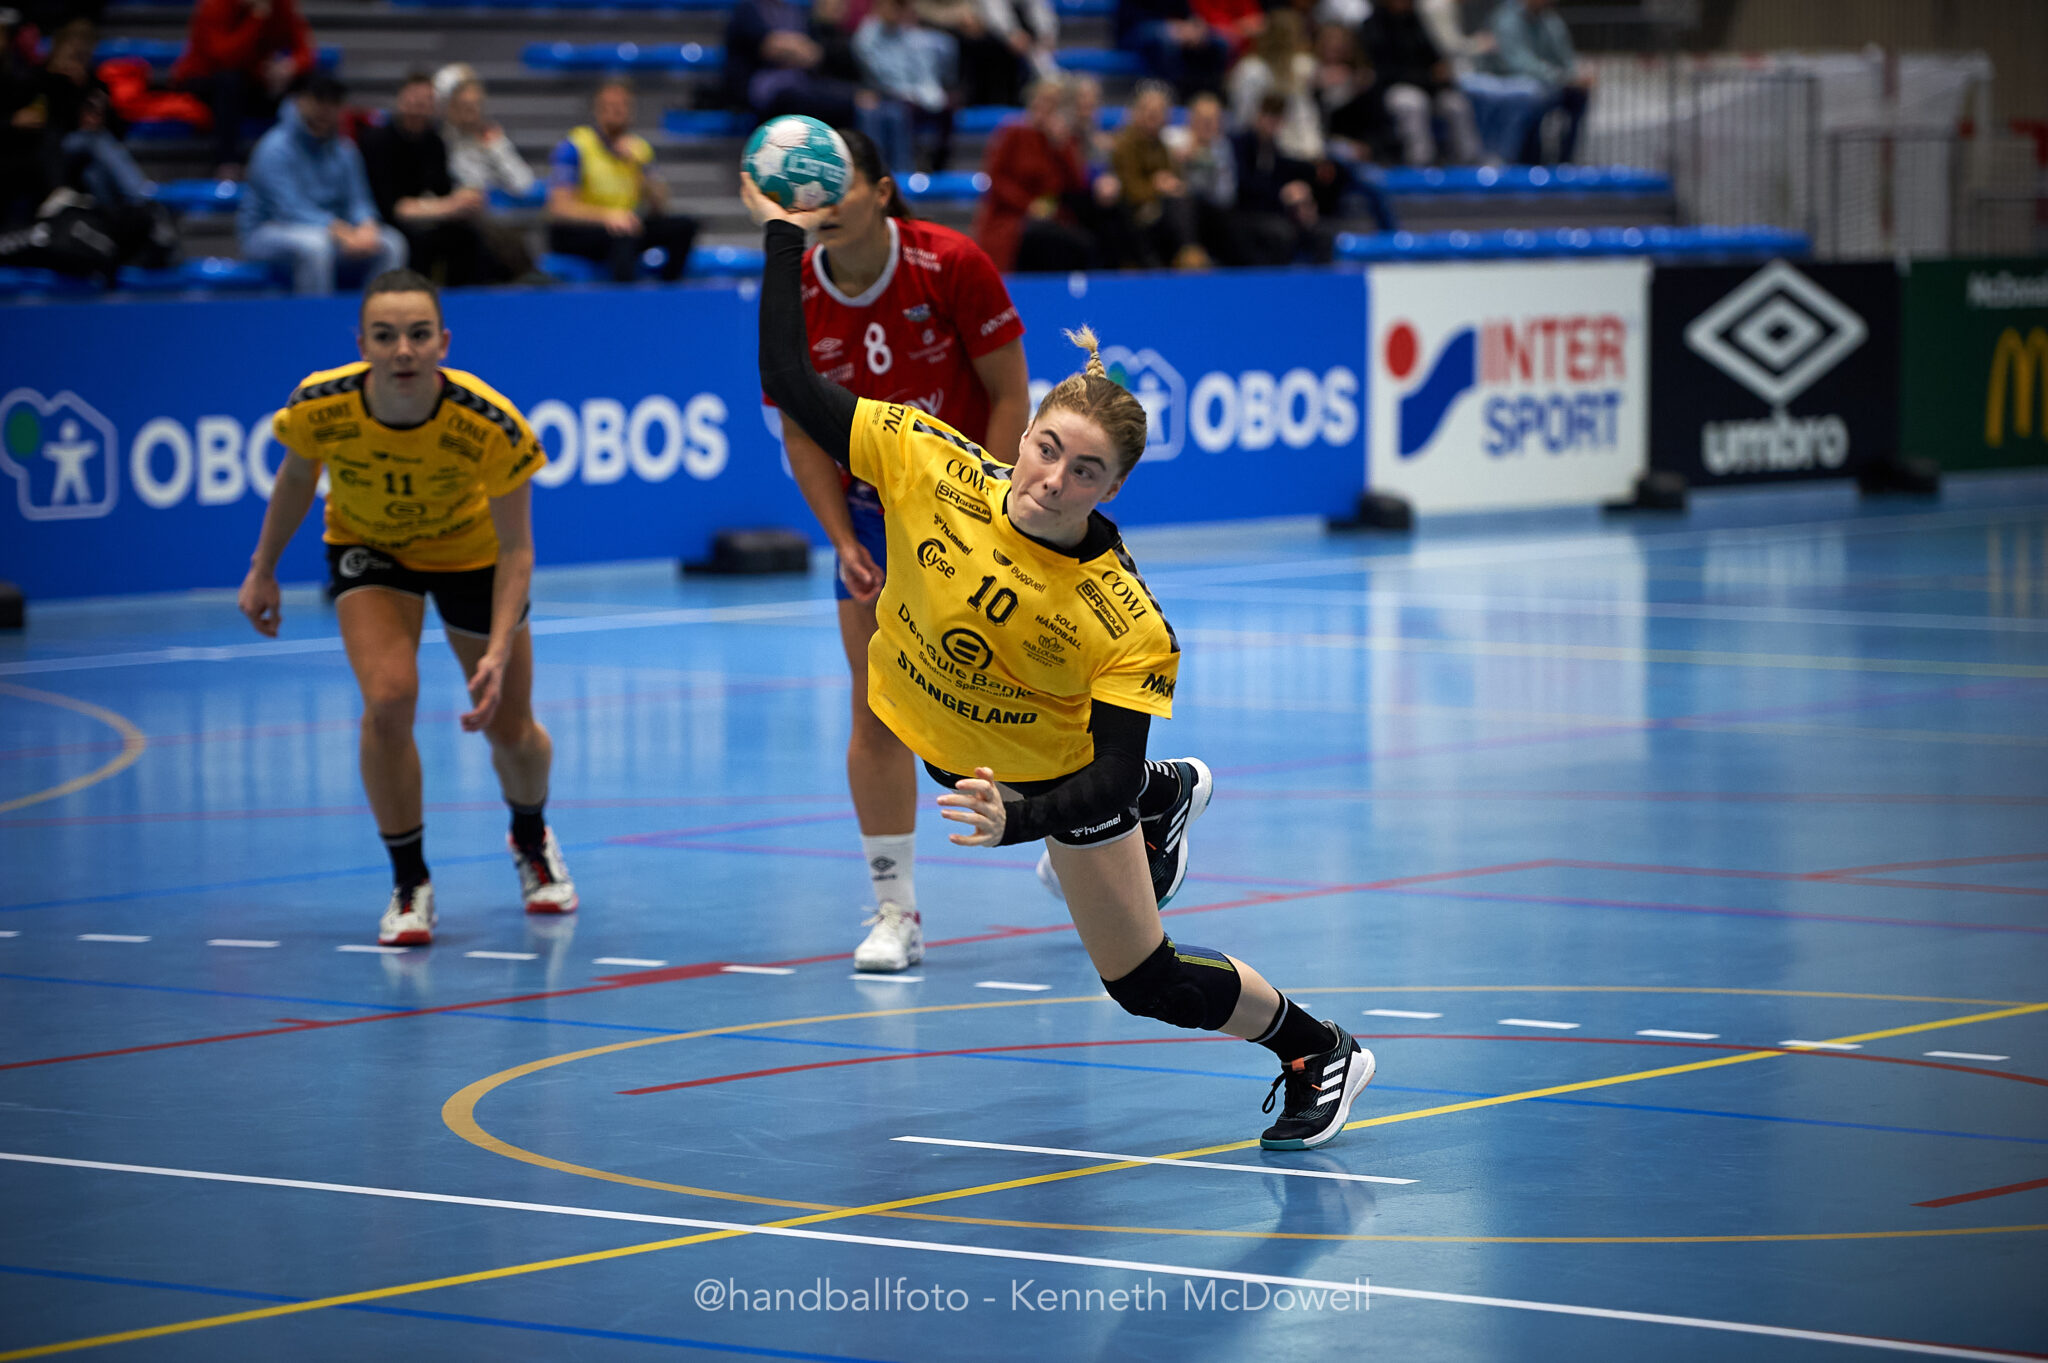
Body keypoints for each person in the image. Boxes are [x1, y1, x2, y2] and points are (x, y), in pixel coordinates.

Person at [746, 175, 1376, 1149]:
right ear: (1023, 432)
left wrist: (1024, 820)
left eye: (1085, 471)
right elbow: (790, 383)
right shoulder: (927, 460)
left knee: (1143, 982)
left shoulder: (1122, 617)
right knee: (974, 773)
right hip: (956, 744)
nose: (1052, 479)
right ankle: (1173, 795)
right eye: (1046, 449)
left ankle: (1316, 1047)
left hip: (1060, 780)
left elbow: (1108, 771)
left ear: (1112, 488)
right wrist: (785, 240)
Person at [237, 269, 576, 947]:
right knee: (389, 700)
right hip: (370, 550)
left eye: (419, 335)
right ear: (361, 343)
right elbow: (298, 476)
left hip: (472, 556)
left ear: (443, 343)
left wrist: (498, 651)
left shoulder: (490, 422)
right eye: (385, 336)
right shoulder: (320, 404)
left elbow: (517, 549)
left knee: (511, 730)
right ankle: (409, 879)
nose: (403, 351)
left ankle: (531, 834)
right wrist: (262, 568)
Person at [772, 128, 1030, 973]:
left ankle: (1092, 836)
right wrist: (842, 538)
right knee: (877, 709)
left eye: (838, 183)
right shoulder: (794, 293)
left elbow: (1009, 393)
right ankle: (896, 910)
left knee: (1026, 704)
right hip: (875, 520)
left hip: (976, 509)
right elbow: (802, 433)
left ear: (881, 191)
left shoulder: (949, 263)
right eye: (807, 189)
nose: (822, 202)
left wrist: (994, 514)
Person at [238, 74, 406, 295]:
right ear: (300, 101)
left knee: (391, 243)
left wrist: (367, 226)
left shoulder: (345, 149)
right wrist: (341, 231)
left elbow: (358, 199)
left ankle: (375, 313)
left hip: (334, 233)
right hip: (269, 231)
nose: (325, 109)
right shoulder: (274, 148)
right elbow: (289, 209)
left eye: (333, 102)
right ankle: (316, 315)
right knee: (316, 247)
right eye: (319, 100)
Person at [545, 79, 699, 282]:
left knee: (684, 227)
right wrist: (608, 216)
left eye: (622, 106)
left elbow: (659, 206)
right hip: (580, 229)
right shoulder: (575, 146)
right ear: (597, 110)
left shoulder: (639, 149)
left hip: (624, 224)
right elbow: (559, 208)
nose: (617, 111)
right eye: (609, 106)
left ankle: (669, 289)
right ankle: (625, 297)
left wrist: (642, 168)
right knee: (623, 236)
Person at [357, 70, 489, 285]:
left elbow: (443, 190)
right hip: (387, 221)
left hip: (427, 218)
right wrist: (449, 206)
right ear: (401, 100)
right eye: (413, 99)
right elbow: (394, 208)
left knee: (467, 236)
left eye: (426, 101)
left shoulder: (435, 142)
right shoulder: (377, 140)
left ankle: (463, 299)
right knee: (415, 242)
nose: (418, 106)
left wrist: (465, 200)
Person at [169, 0, 316, 177]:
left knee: (309, 83)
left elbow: (305, 52)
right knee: (229, 81)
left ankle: (311, 158)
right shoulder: (215, 5)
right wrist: (256, 18)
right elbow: (226, 58)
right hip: (205, 83)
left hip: (253, 80)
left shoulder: (280, 5)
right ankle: (227, 162)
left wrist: (288, 68)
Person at [974, 76, 1093, 272]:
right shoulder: (1013, 133)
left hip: (1052, 219)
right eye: (1042, 100)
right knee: (1040, 238)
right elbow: (996, 180)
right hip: (1011, 217)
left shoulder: (1062, 141)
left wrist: (1062, 147)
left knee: (1080, 243)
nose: (1045, 108)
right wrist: (1028, 205)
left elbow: (1076, 184)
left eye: (1053, 103)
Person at [437, 72, 539, 280]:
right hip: (457, 216)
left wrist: (495, 149)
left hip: (497, 215)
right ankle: (526, 278)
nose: (471, 111)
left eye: (476, 105)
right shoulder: (441, 142)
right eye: (464, 105)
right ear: (451, 108)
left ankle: (525, 279)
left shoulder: (495, 141)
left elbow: (524, 185)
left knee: (504, 232)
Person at [1358, 0, 1481, 166]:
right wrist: (1428, 77)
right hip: (1393, 89)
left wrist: (1442, 71)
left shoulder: (1416, 21)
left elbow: (1433, 56)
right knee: (1414, 103)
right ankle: (1421, 163)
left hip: (1428, 86)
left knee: (1456, 103)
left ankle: (1469, 161)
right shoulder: (1373, 26)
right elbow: (1385, 72)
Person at [723, 0, 867, 127]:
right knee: (802, 100)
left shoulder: (793, 11)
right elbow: (770, 48)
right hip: (763, 87)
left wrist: (791, 50)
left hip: (801, 81)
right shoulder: (747, 9)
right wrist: (796, 49)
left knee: (851, 97)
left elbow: (814, 54)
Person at [1478, 0, 1589, 164]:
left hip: (1546, 83)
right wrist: (1563, 77)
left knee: (1578, 95)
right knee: (1533, 96)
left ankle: (1564, 162)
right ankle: (1527, 160)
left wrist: (1578, 74)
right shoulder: (1507, 18)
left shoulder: (1550, 21)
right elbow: (1519, 62)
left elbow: (1565, 57)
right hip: (1508, 81)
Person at [853, 0, 956, 173]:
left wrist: (931, 94)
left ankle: (938, 168)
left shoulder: (909, 34)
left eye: (900, 7)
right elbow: (880, 76)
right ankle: (900, 171)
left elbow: (924, 71)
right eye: (894, 6)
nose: (896, 11)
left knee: (947, 109)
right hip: (884, 95)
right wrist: (909, 93)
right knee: (896, 113)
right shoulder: (866, 37)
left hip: (916, 94)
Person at [1109, 80, 1203, 269]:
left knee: (1193, 203)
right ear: (1136, 112)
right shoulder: (1124, 145)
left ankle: (1188, 252)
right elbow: (1130, 190)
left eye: (1159, 111)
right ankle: (1185, 252)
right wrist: (1158, 187)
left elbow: (1175, 180)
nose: (1153, 116)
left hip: (1163, 210)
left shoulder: (1162, 146)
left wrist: (1173, 185)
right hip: (1134, 213)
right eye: (1148, 110)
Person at [1113, 0, 1228, 101]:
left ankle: (1209, 96)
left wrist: (1192, 26)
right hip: (1135, 30)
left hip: (1173, 29)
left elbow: (1186, 12)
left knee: (1218, 42)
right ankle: (1173, 96)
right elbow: (1131, 17)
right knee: (1166, 40)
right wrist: (1170, 26)